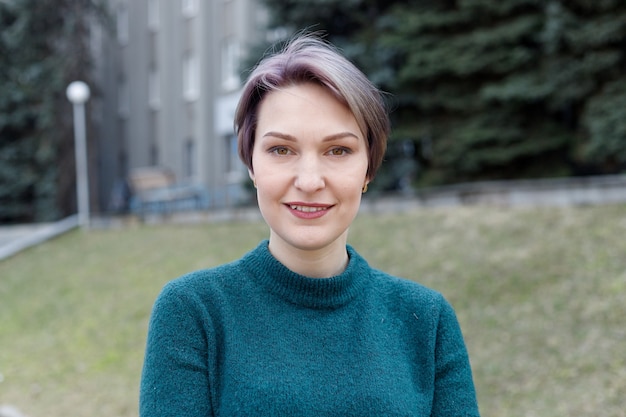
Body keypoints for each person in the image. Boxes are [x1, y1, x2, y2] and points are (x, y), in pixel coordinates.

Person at [139, 34, 480, 416]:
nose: (310, 180)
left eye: (338, 150)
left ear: (368, 169)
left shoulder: (425, 321)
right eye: (281, 150)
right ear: (251, 165)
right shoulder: (194, 313)